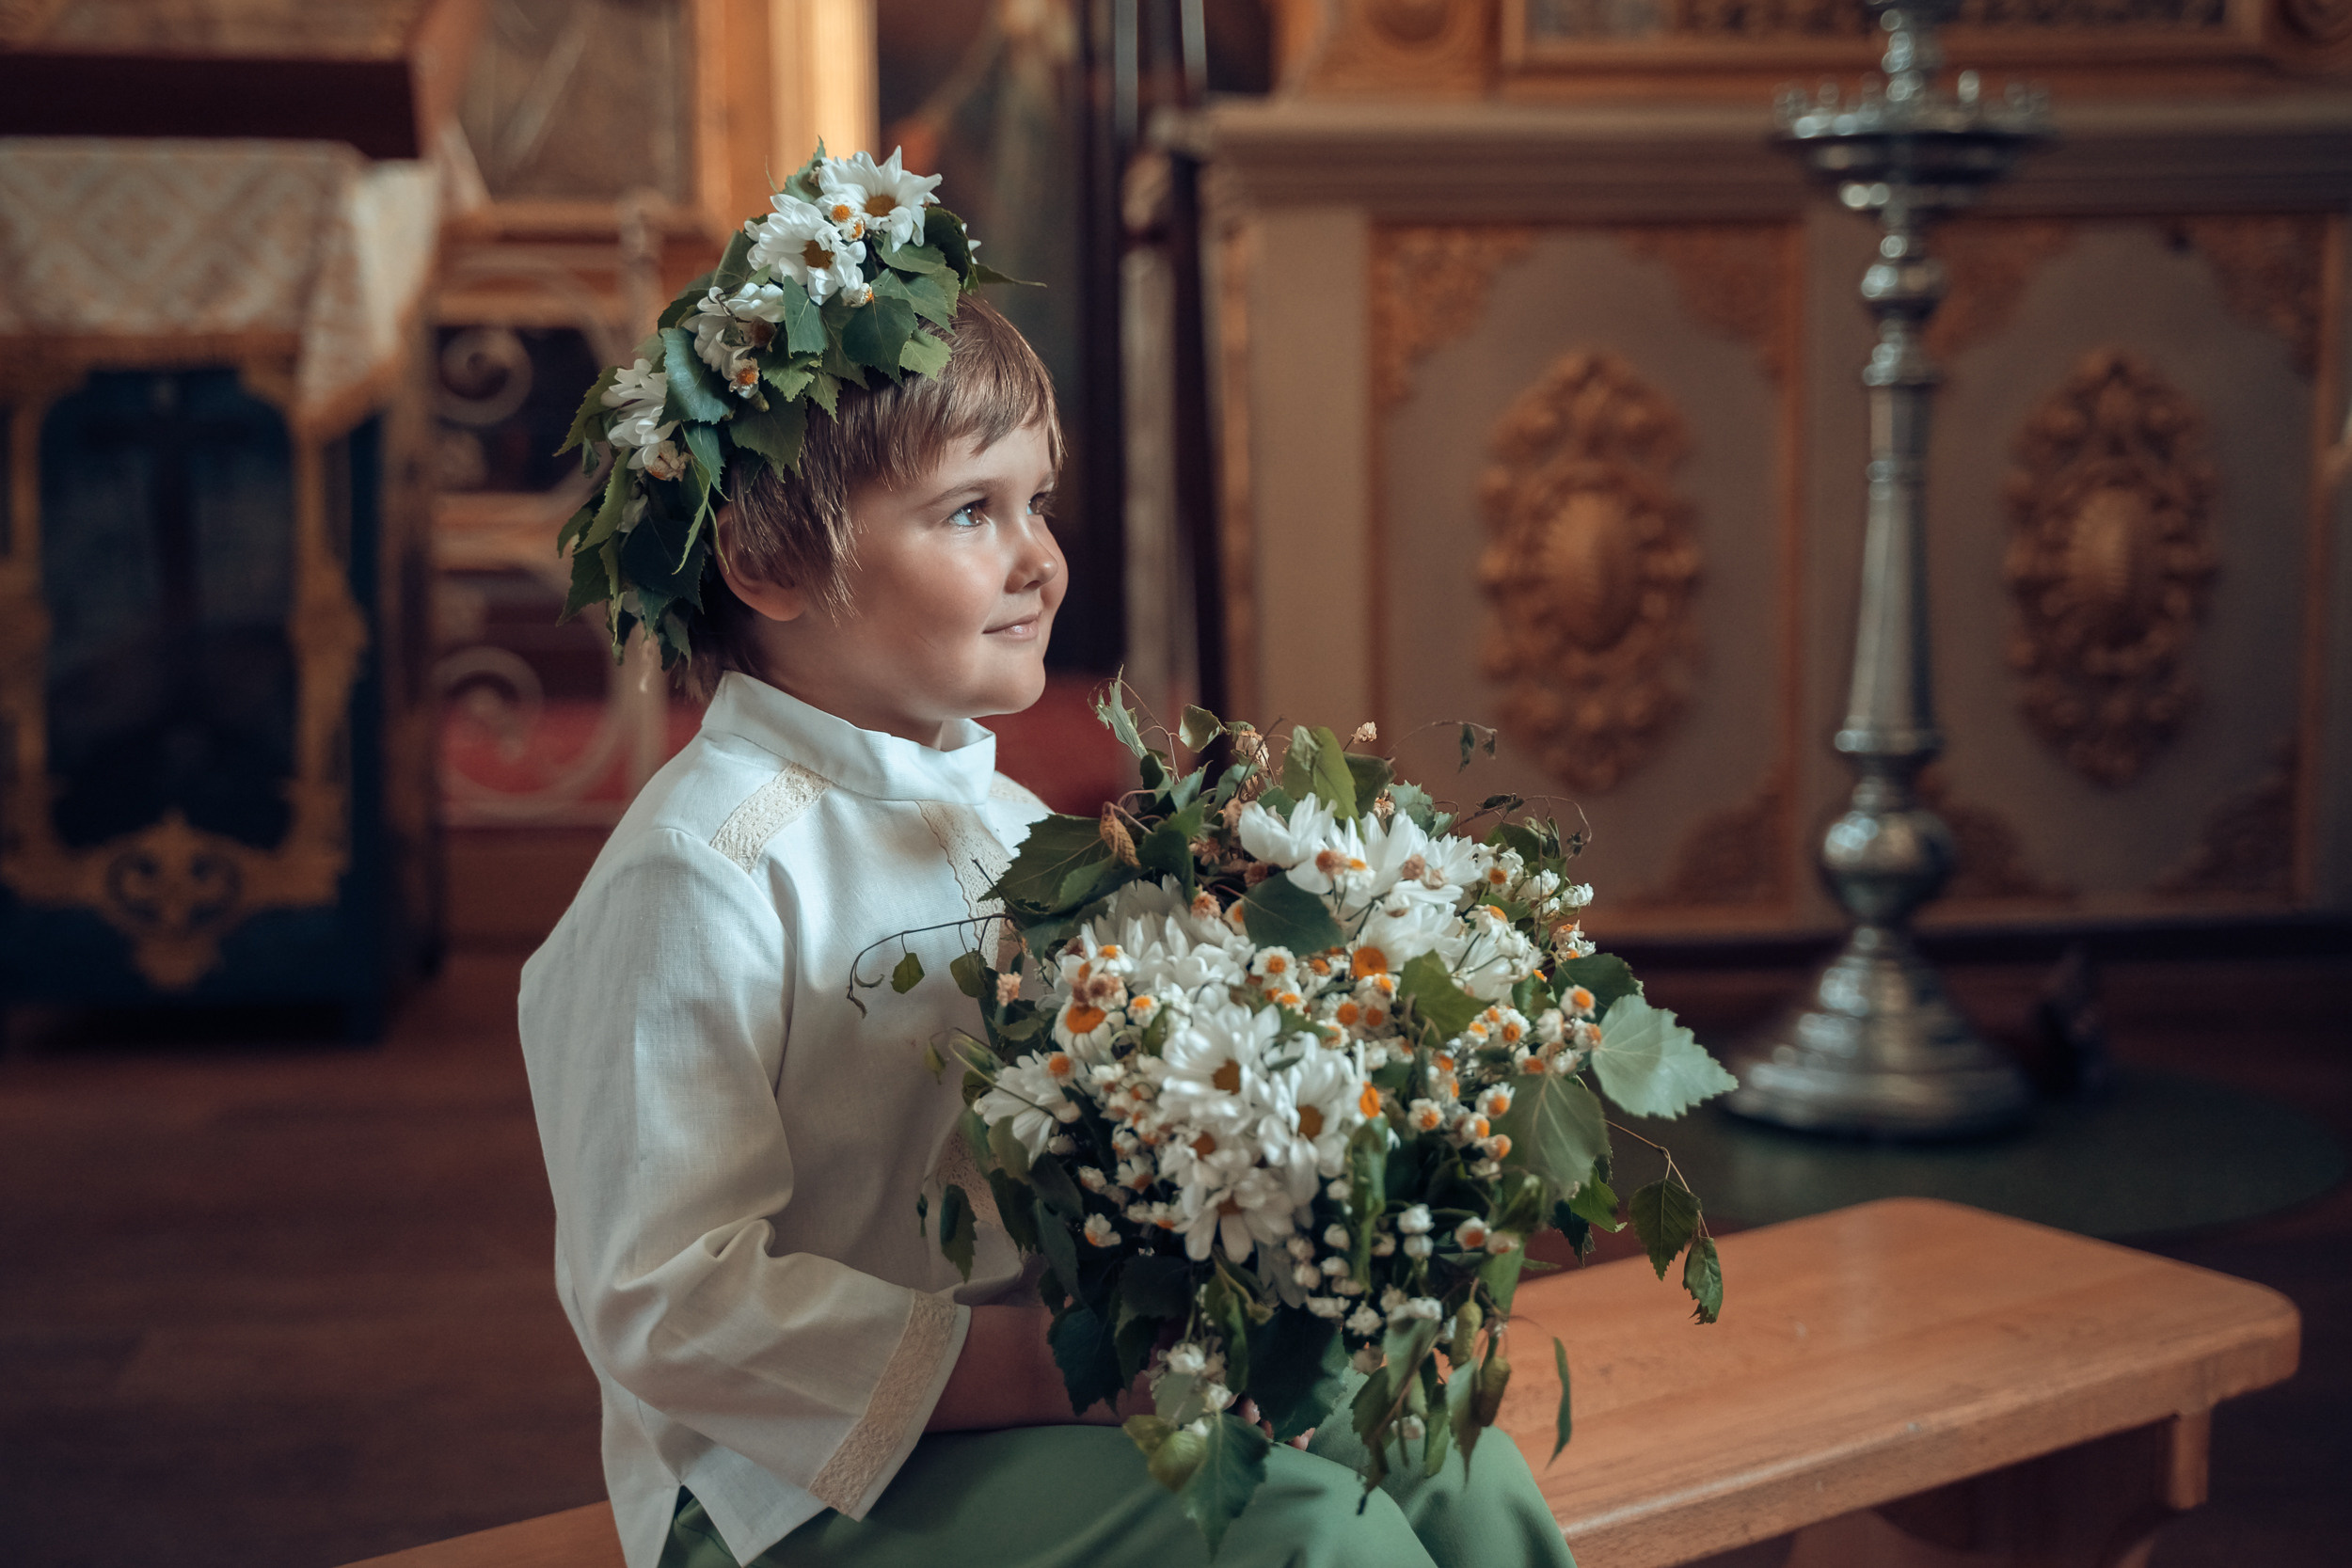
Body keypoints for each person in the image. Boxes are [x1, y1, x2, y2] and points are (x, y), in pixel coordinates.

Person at [521, 241, 1577, 1568]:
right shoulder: (704, 870)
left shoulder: (1014, 827)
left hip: (1034, 1404)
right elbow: (662, 1305)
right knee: (1309, 1535)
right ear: (767, 563)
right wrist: (1038, 1368)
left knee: (1427, 1450)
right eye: (971, 512)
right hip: (788, 1492)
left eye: (1040, 503)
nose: (1040, 561)